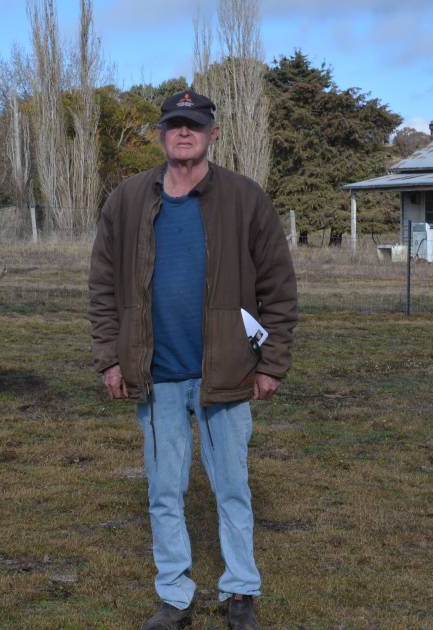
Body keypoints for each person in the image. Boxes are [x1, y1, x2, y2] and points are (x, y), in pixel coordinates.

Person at [87, 90, 297, 630]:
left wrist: (271, 363)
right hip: (155, 375)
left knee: (232, 487)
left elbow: (278, 286)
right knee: (164, 490)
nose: (184, 133)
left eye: (195, 125)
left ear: (212, 134)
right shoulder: (128, 199)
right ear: (161, 134)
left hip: (227, 371)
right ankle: (174, 596)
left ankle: (240, 593)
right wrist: (111, 357)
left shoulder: (245, 198)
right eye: (175, 125)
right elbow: (103, 287)